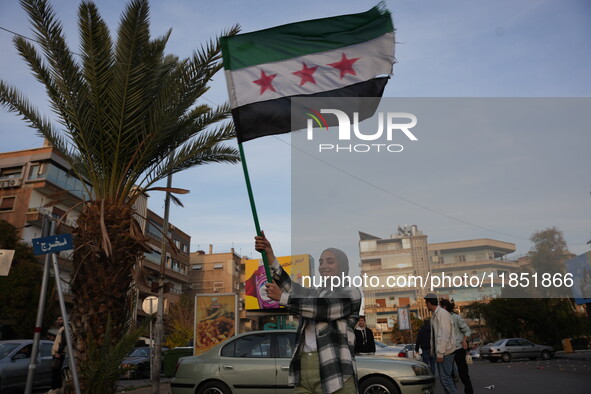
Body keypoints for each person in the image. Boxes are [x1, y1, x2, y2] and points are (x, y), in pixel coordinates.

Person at [255, 232, 362, 394]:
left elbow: (322, 309)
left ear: (342, 266)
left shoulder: (350, 292)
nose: (323, 265)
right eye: (320, 262)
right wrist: (270, 254)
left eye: (330, 261)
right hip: (303, 366)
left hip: (335, 372)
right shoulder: (315, 293)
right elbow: (289, 287)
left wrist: (283, 298)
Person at [424, 293, 457, 394]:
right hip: (443, 352)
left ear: (429, 303)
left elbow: (444, 335)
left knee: (446, 380)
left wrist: (440, 353)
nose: (426, 306)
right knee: (445, 380)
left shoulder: (441, 314)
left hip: (445, 353)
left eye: (426, 303)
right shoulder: (436, 314)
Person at [440, 299, 474, 394]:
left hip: (458, 349)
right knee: (449, 375)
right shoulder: (442, 319)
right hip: (448, 350)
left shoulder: (456, 317)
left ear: (444, 307)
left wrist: (464, 340)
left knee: (463, 374)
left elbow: (467, 330)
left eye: (440, 306)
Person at [50, 316, 66, 393]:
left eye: (60, 319)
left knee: (55, 372)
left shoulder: (65, 329)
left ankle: (55, 388)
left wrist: (59, 352)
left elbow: (63, 342)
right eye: (58, 320)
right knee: (55, 371)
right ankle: (57, 388)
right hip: (56, 353)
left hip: (59, 354)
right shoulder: (61, 329)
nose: (58, 321)